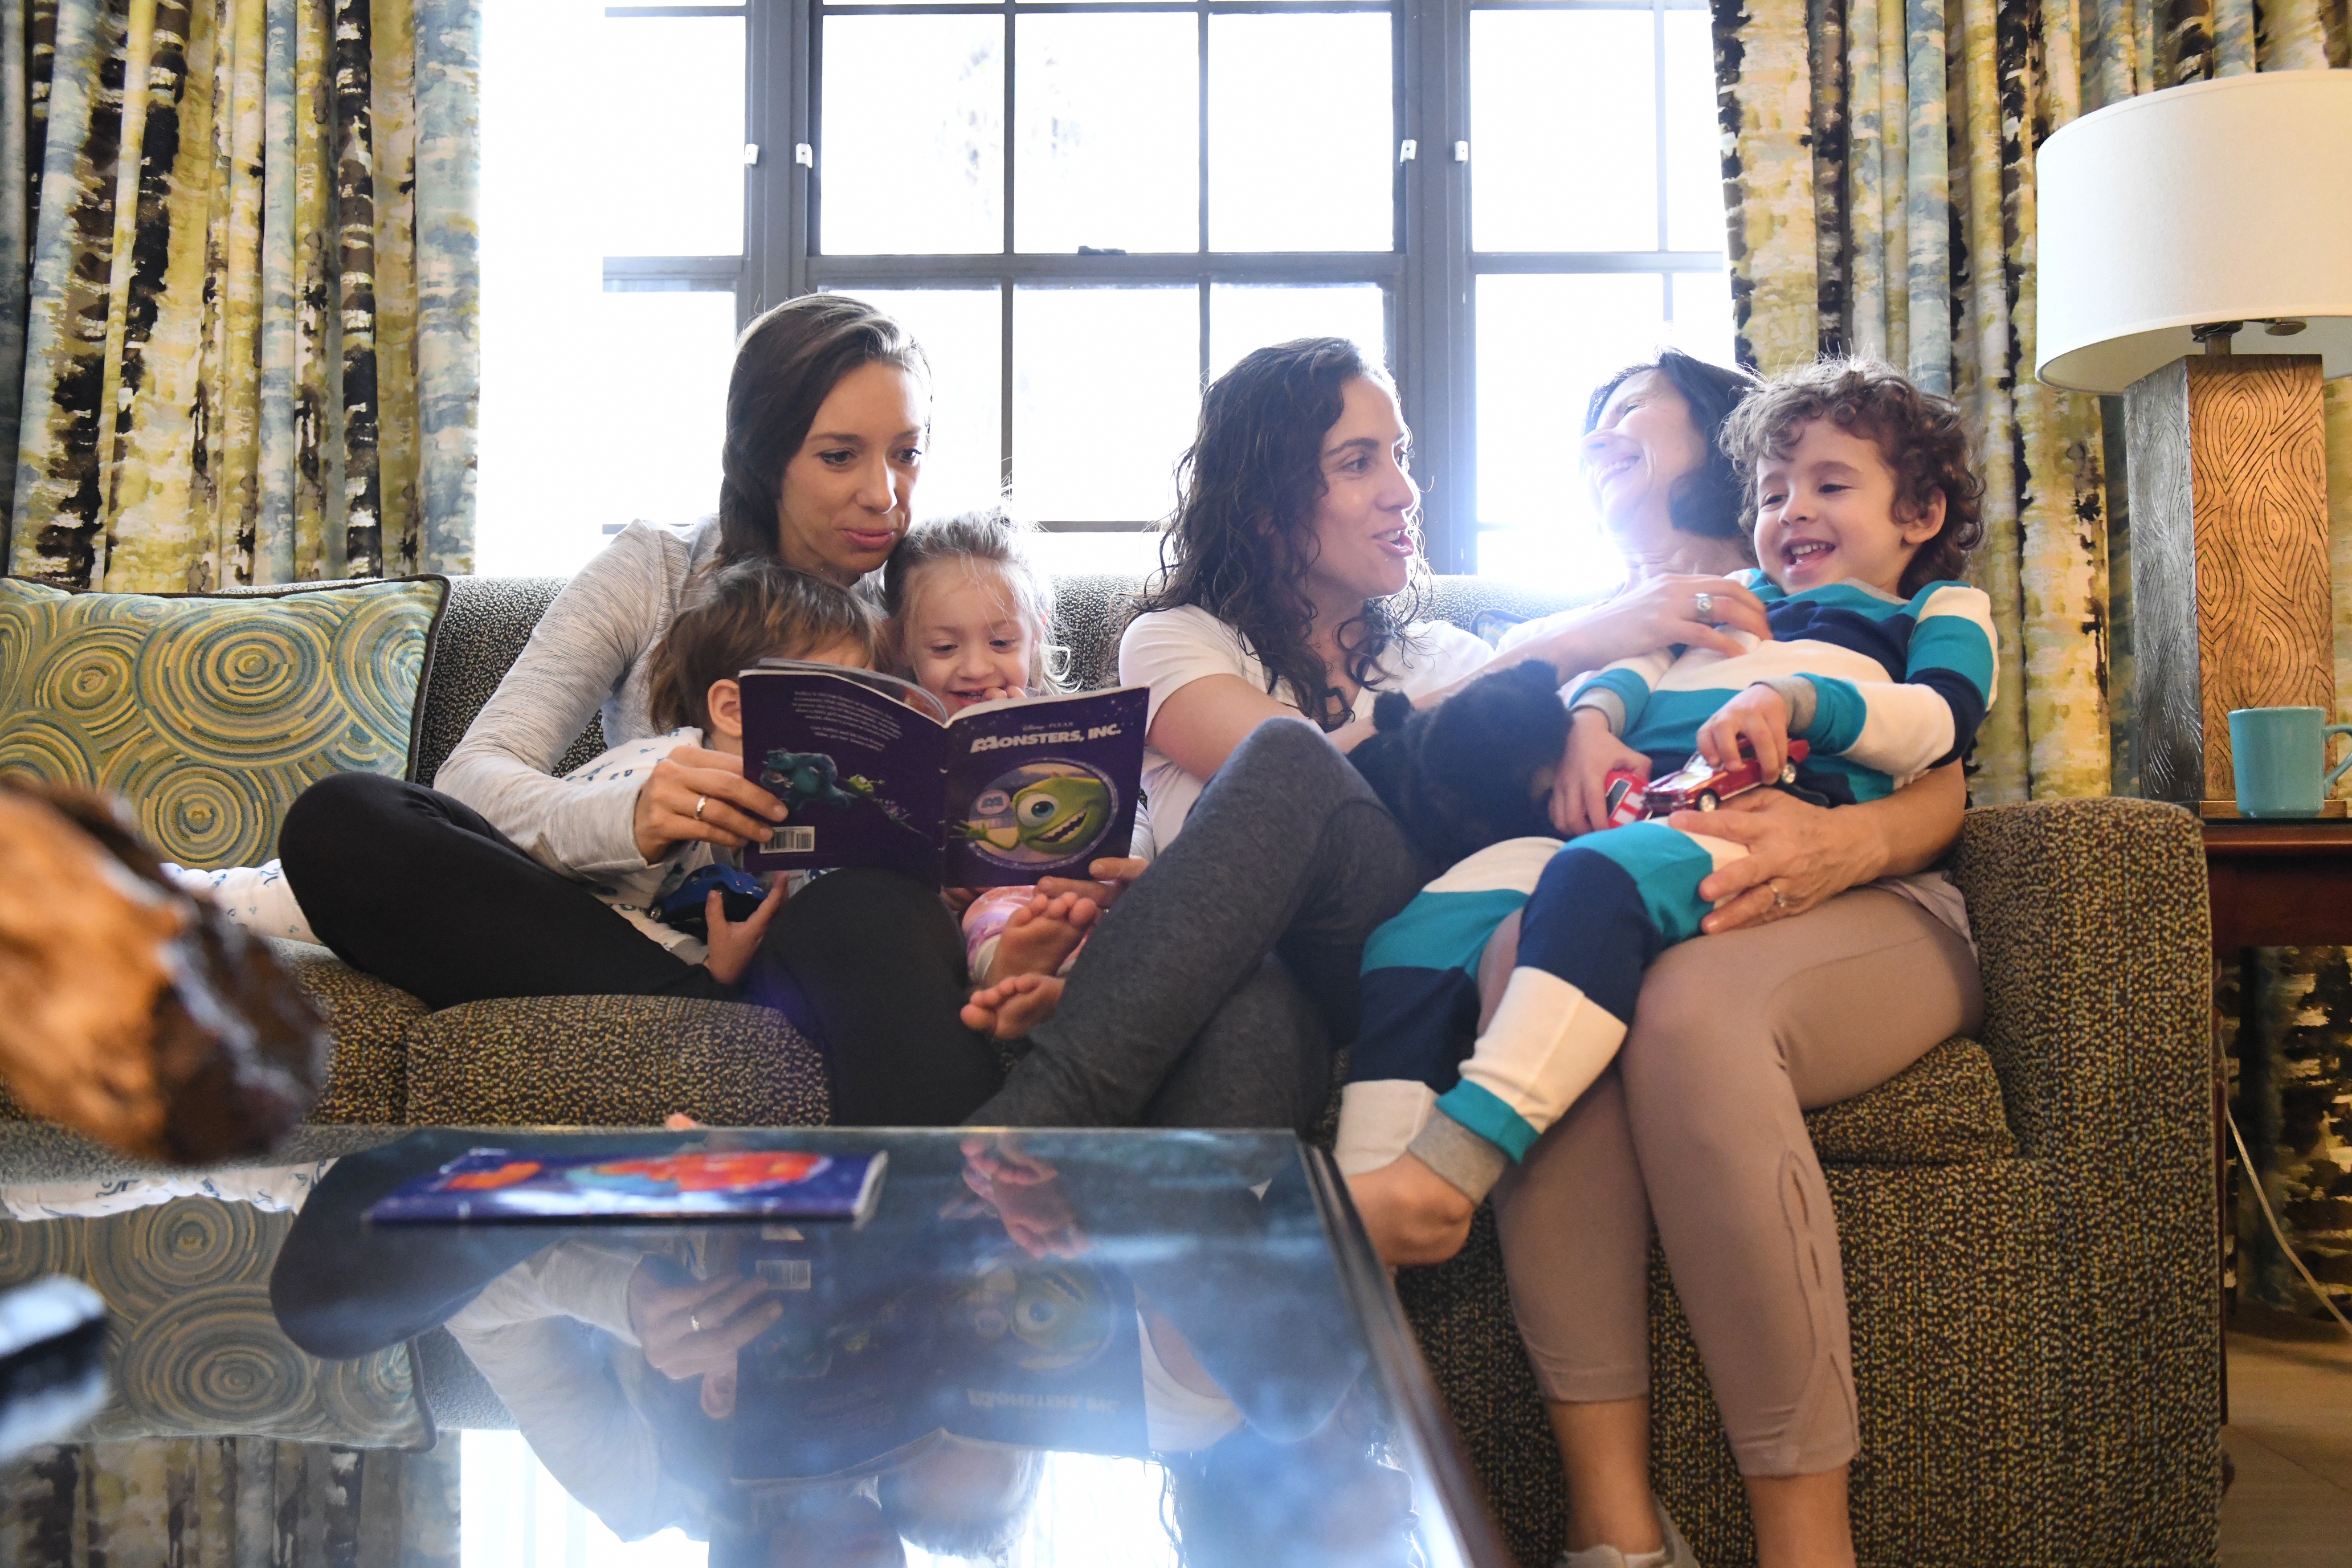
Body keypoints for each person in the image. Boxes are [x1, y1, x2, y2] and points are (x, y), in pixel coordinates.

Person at [957, 338, 1778, 1134]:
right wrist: (1544, 653)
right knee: (1255, 1019)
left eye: (1401, 456)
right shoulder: (1176, 640)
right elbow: (1279, 778)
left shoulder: (1453, 657)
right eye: (1358, 463)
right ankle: (1187, 1267)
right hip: (1263, 972)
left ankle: (1031, 1126)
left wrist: (1544, 663)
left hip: (1391, 937)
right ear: (1264, 503)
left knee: (1290, 762)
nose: (1403, 491)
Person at [277, 295, 1006, 1125]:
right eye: (841, 456)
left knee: (872, 913)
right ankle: (699, 998)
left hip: (832, 940)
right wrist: (628, 814)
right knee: (343, 820)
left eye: (907, 455)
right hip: (635, 935)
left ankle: (951, 1230)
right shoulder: (653, 570)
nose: (886, 495)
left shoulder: (928, 599)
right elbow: (472, 779)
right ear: (764, 457)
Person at [1335, 358, 1996, 1221]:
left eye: (1828, 485)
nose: (1791, 509)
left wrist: (1798, 701)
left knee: (1595, 881)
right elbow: (1632, 671)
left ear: (1919, 513)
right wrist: (1595, 724)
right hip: (1619, 812)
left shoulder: (1934, 610)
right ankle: (1361, 1206)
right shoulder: (1725, 595)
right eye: (1769, 495)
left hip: (1749, 814)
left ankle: (1452, 1164)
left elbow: (1940, 720)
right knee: (1421, 928)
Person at [170, 558, 878, 989]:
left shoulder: (791, 822)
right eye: (835, 701)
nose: (854, 724)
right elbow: (595, 912)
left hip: (505, 954)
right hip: (387, 897)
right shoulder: (663, 764)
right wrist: (702, 972)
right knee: (225, 888)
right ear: (735, 707)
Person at [875, 511, 1145, 1041]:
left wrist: (1121, 865)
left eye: (1001, 643)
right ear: (903, 644)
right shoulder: (901, 738)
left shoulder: (1068, 726)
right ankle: (1014, 975)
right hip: (988, 909)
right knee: (995, 917)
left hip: (1075, 892)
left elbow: (1131, 810)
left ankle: (1071, 978)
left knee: (1132, 921)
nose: (976, 668)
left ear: (1036, 633)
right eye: (945, 648)